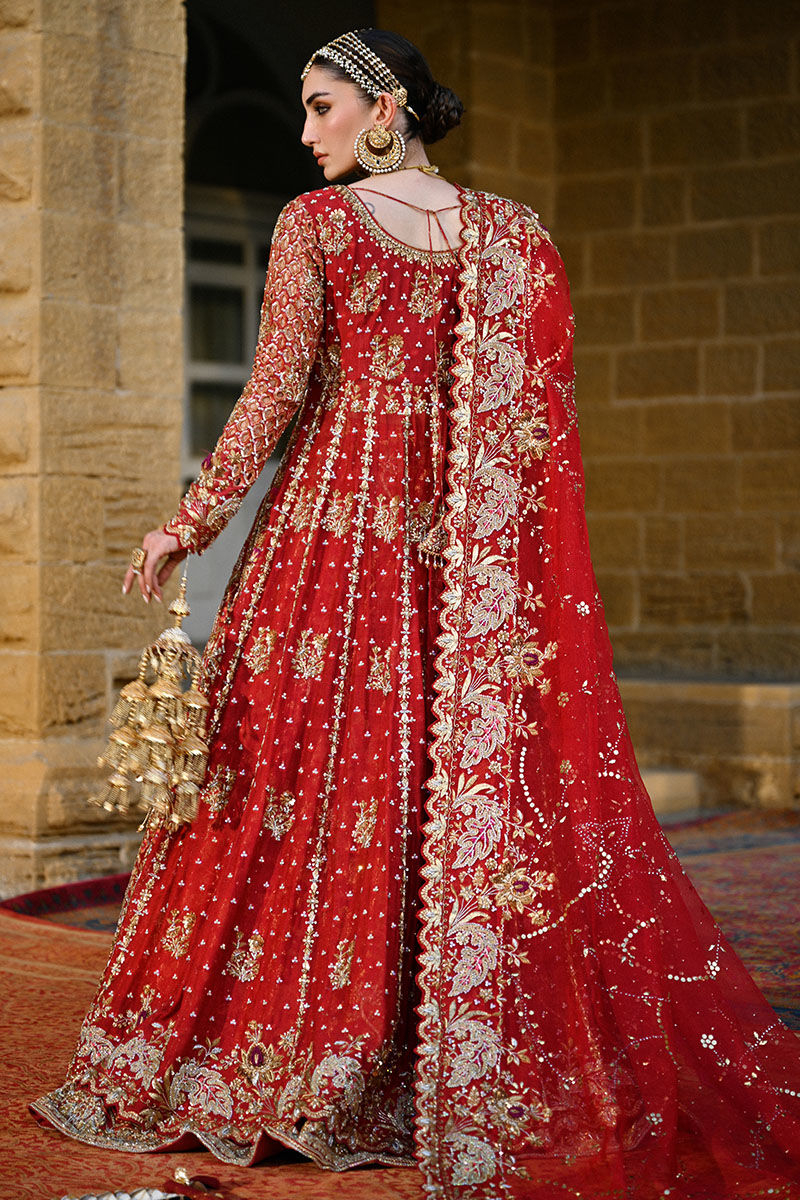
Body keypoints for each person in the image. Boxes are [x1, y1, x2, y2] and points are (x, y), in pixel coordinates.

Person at [32, 28, 800, 1200]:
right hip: (460, 581)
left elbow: (278, 394)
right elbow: (538, 439)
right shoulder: (514, 238)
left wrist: (185, 525)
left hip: (326, 557)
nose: (304, 132)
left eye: (320, 105)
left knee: (288, 787)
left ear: (383, 107)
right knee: (423, 797)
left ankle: (290, 1058)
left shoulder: (319, 227)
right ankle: (419, 1065)